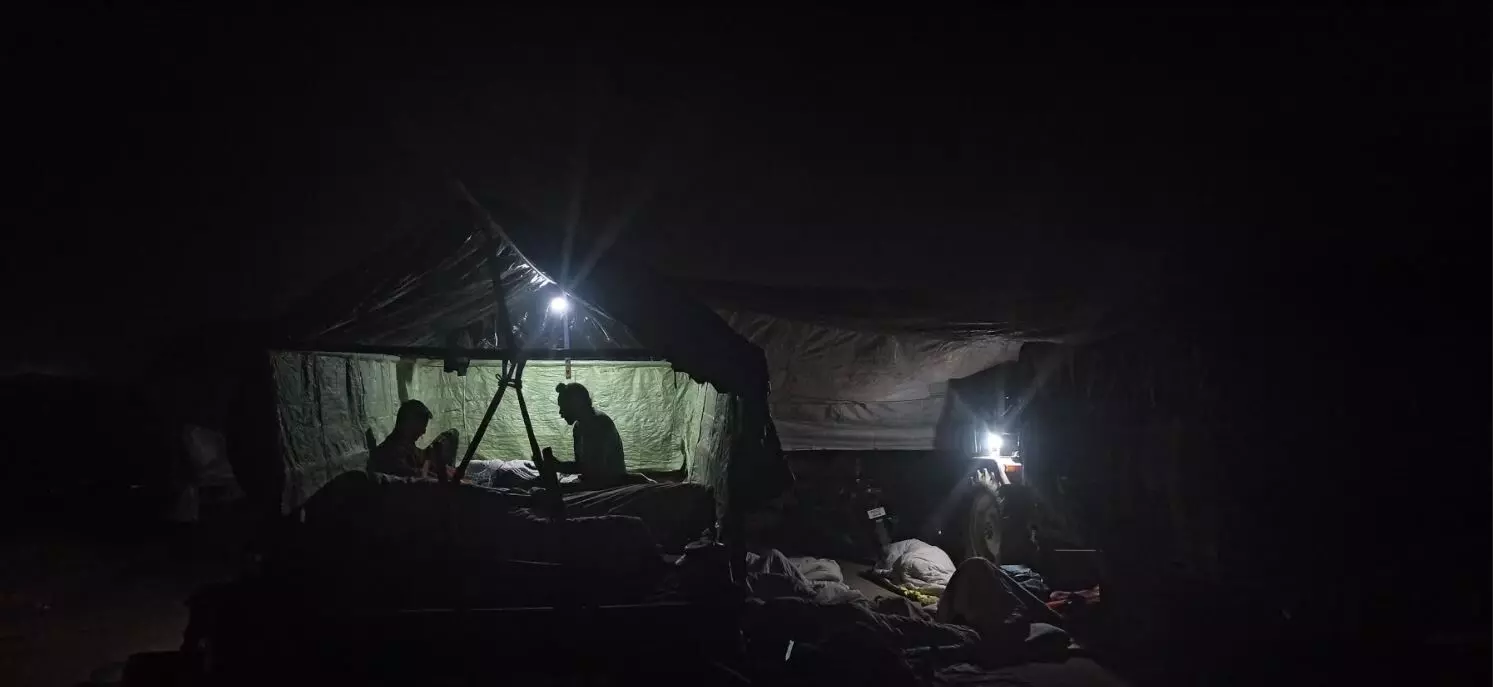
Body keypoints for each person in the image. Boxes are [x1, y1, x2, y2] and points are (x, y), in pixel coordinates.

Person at [546, 382, 626, 489]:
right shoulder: (578, 427)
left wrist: (558, 466)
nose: (560, 413)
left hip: (610, 485)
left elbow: (595, 470)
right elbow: (582, 465)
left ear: (576, 405)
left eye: (563, 407)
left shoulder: (599, 423)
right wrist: (557, 465)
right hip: (592, 481)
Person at [368, 400, 460, 480]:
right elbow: (416, 476)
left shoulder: (407, 445)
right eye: (422, 426)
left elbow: (421, 458)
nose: (424, 431)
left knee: (451, 435)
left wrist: (438, 465)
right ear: (409, 424)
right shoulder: (389, 453)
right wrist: (440, 473)